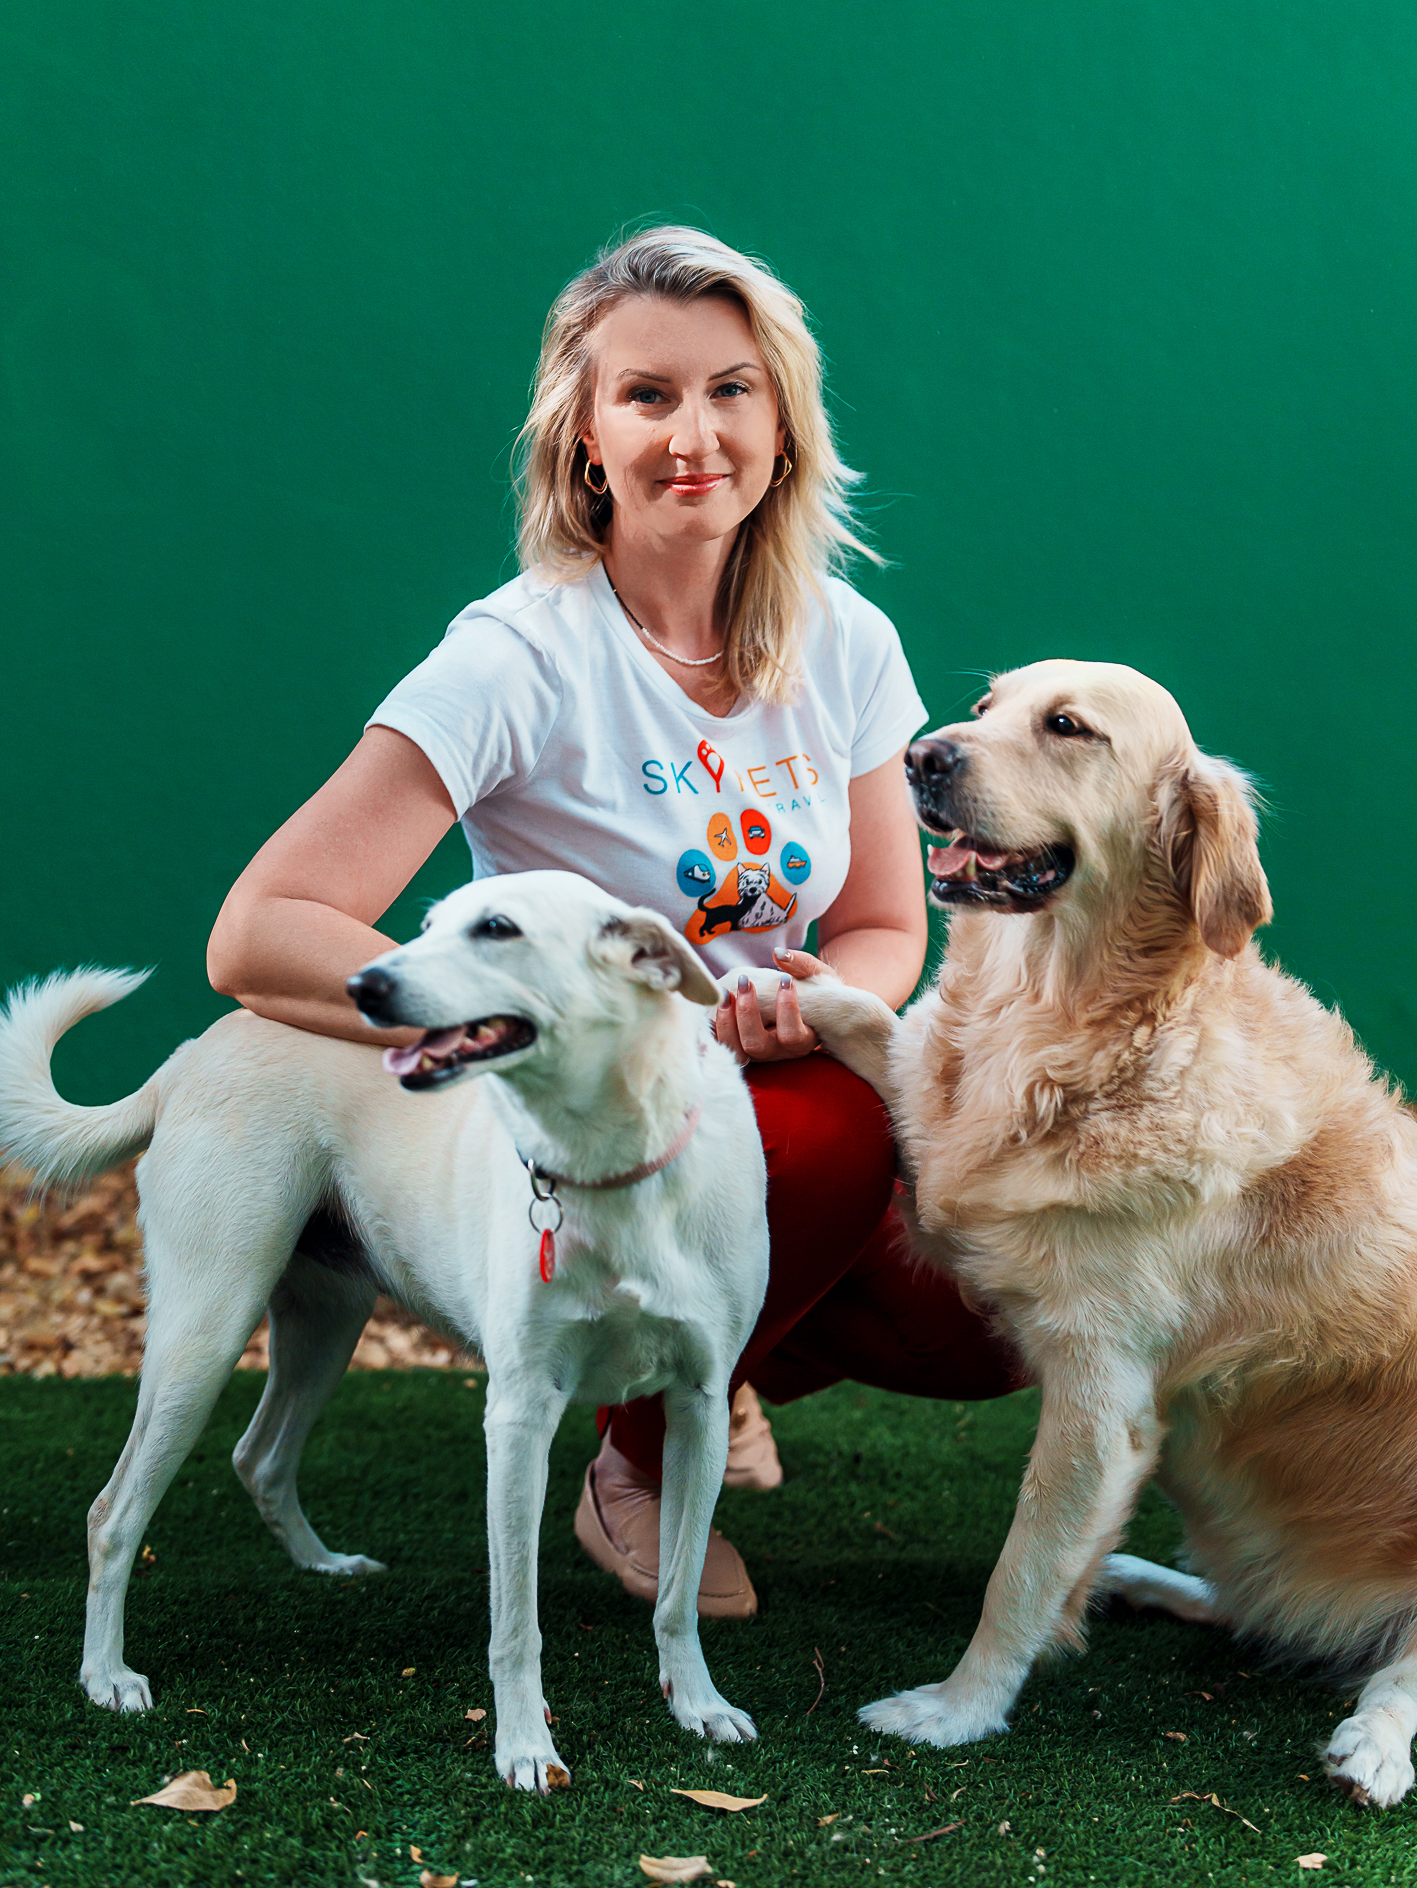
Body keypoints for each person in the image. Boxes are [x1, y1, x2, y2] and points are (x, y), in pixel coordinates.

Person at [208, 226, 1018, 1618]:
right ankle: (632, 1465)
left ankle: (712, 1363)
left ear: (783, 423)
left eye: (731, 390)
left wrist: (813, 1000)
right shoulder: (515, 655)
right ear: (586, 436)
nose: (693, 434)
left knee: (982, 1325)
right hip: (622, 1123)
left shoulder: (845, 642)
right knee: (816, 1138)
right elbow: (260, 930)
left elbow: (887, 923)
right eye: (646, 396)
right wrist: (502, 1019)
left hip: (783, 1074)